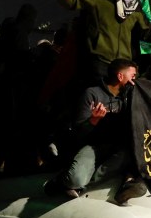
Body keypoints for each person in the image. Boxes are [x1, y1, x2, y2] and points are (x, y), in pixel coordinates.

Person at [44, 58, 139, 198]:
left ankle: (81, 187)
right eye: (132, 76)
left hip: (115, 147)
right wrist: (93, 120)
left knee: (130, 157)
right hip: (93, 146)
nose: (134, 81)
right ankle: (61, 182)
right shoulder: (92, 94)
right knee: (75, 179)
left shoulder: (128, 97)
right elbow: (77, 135)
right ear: (120, 76)